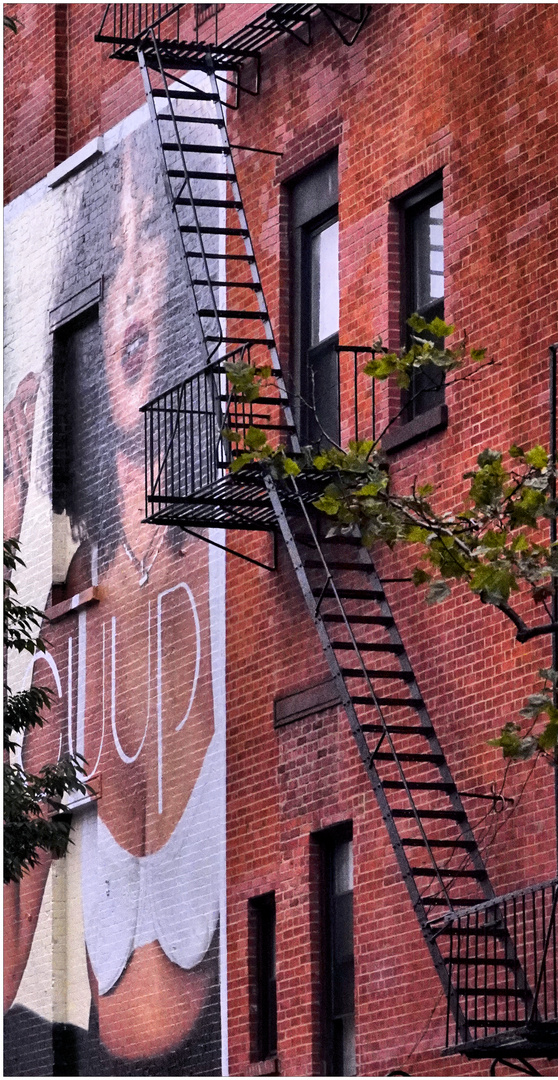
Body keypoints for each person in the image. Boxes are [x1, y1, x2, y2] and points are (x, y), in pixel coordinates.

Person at [4, 139, 224, 1070]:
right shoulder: (61, 643)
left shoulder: (225, 578)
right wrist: (10, 518)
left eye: (155, 245)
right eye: (119, 254)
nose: (137, 281)